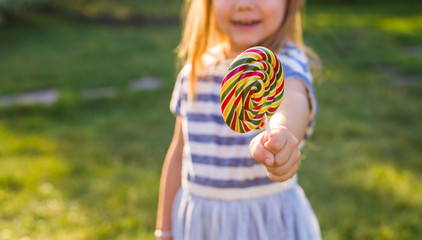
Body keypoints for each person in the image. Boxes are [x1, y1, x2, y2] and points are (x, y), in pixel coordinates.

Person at [155, 0, 321, 239]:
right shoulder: (194, 72)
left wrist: (283, 133)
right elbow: (178, 153)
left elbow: (293, 97)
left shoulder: (285, 64)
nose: (244, 4)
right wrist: (165, 230)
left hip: (264, 225)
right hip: (200, 225)